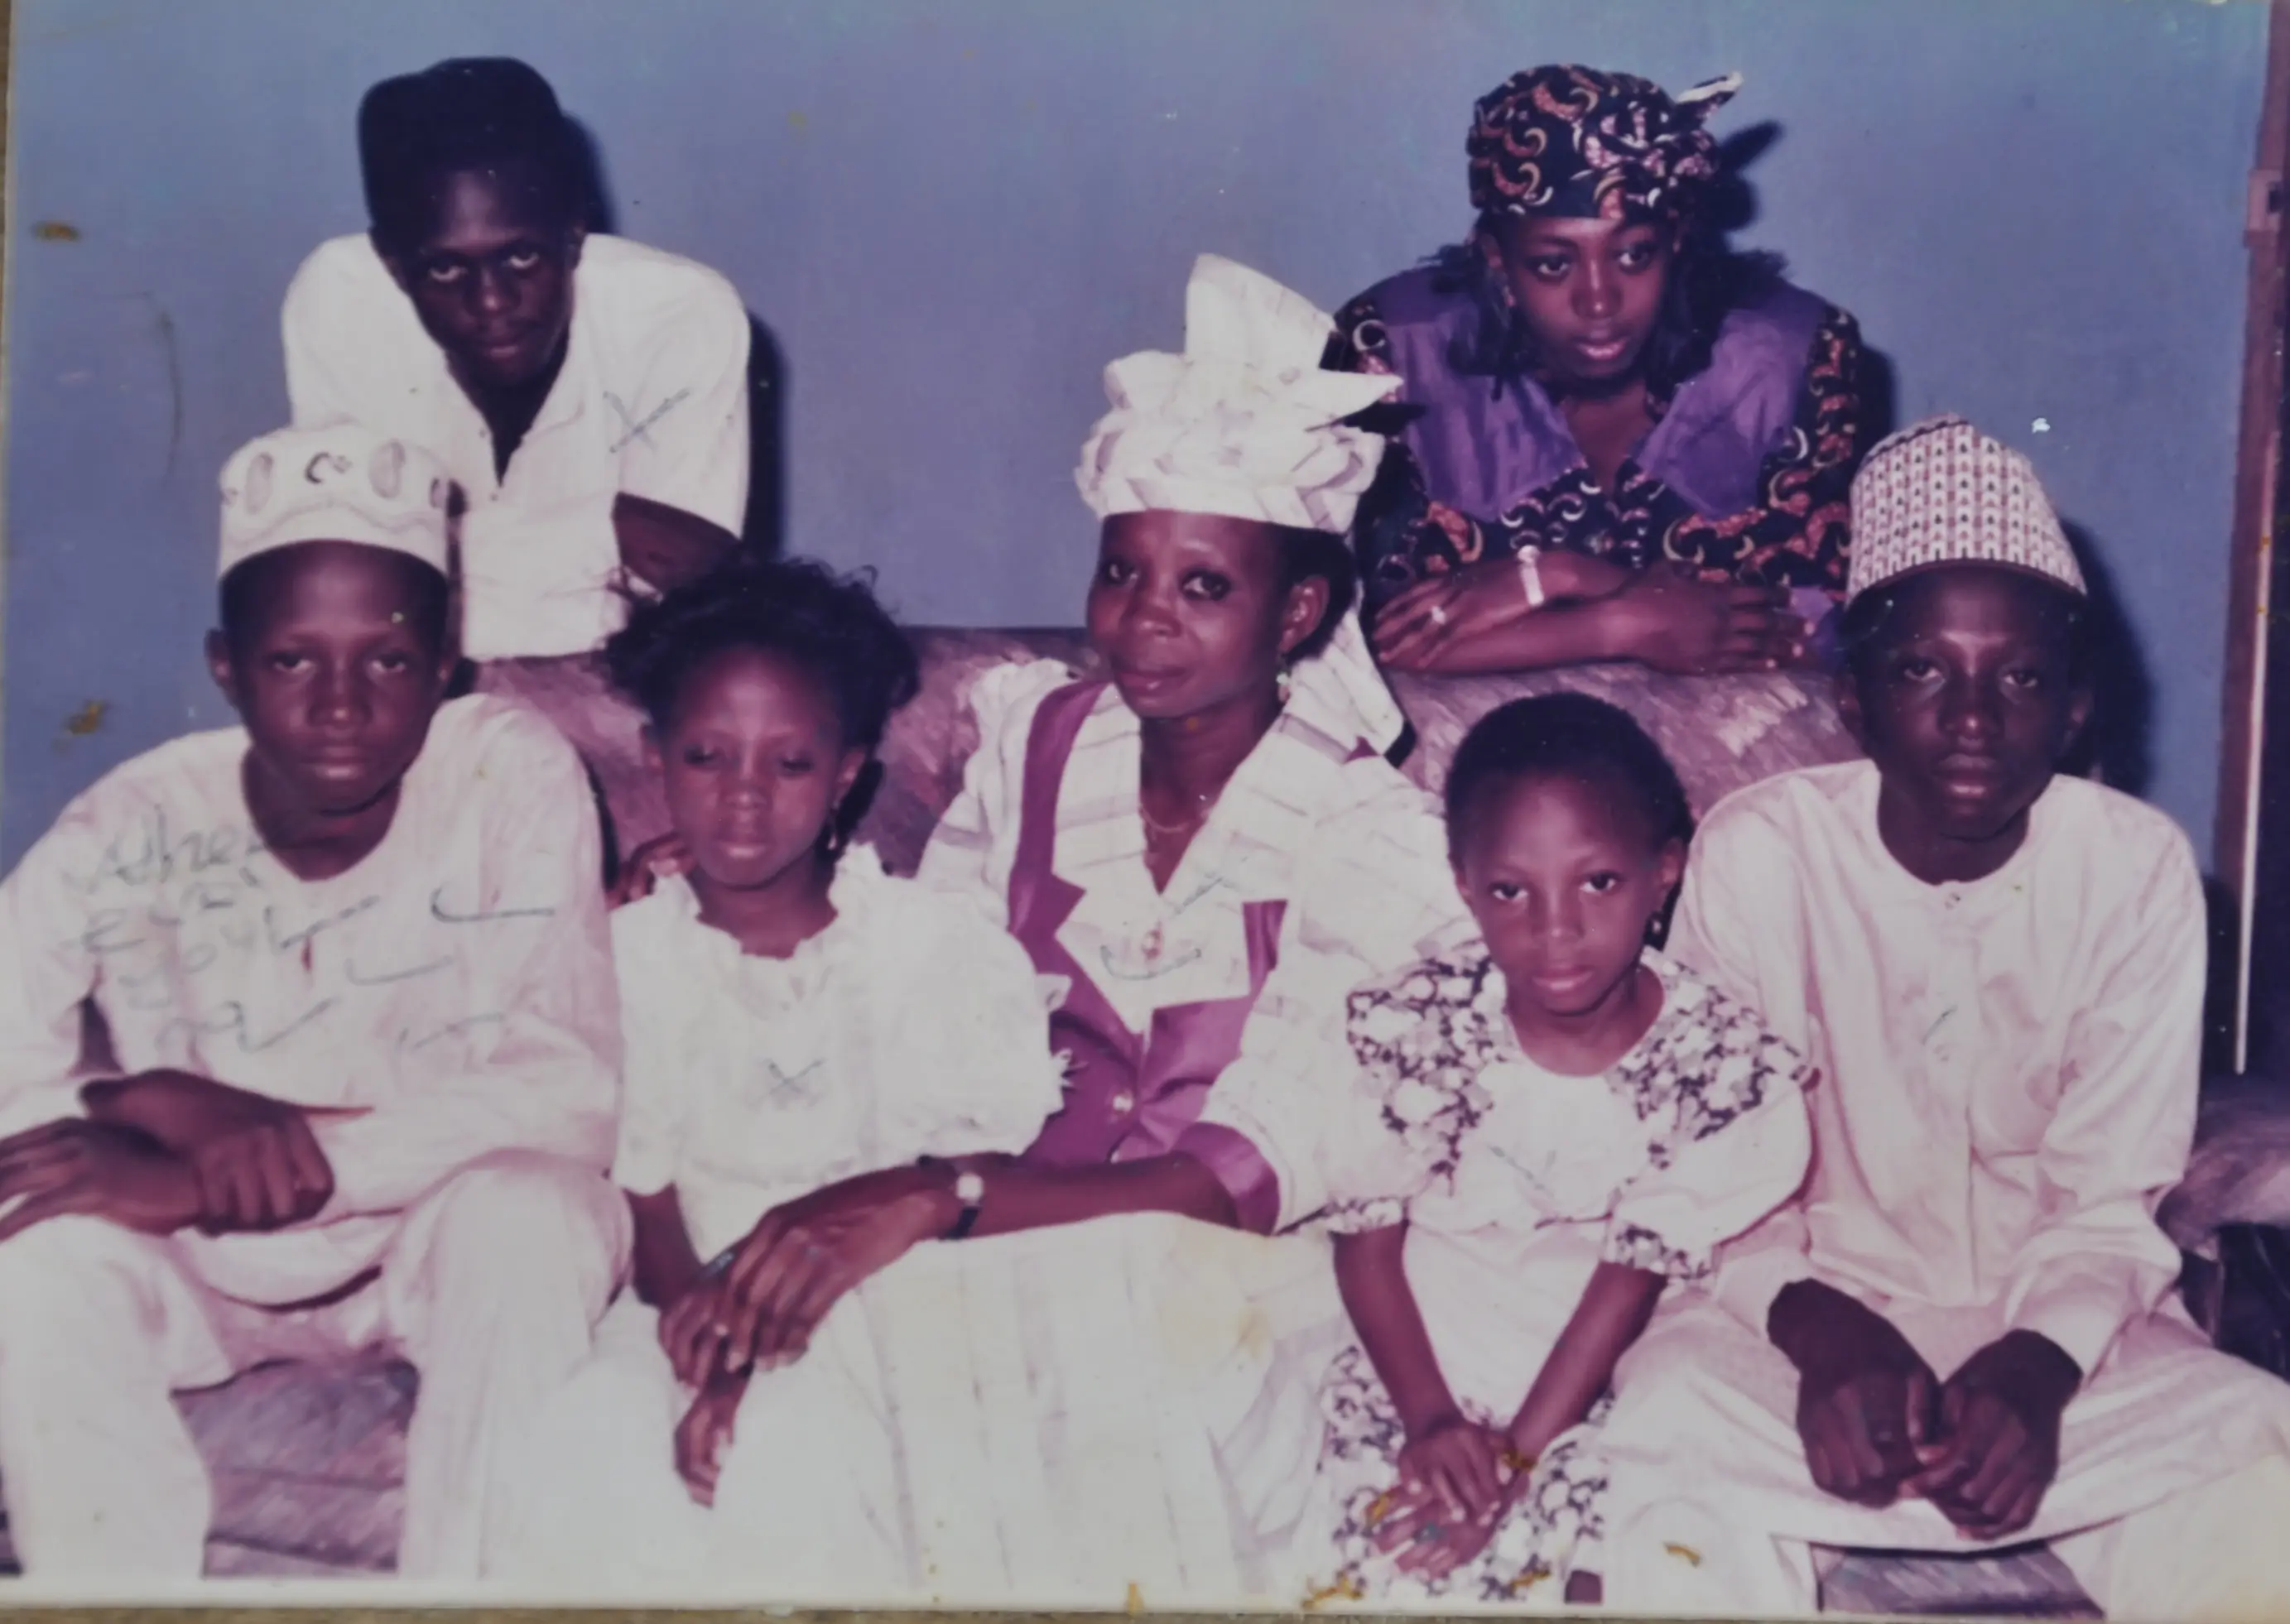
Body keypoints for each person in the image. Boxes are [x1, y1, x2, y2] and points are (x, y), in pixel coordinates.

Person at [614, 254, 1470, 1602]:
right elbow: (926, 993)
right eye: (1124, 570)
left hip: (1241, 1283)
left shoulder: (1374, 844)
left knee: (953, 1325)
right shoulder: (1034, 742)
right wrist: (709, 879)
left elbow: (1236, 1179)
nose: (1144, 619)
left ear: (1298, 609)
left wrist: (938, 1201)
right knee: (826, 1350)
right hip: (1004, 1240)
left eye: (1203, 586)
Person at [1589, 416, 2290, 1620]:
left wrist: (2032, 1367)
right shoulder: (1761, 851)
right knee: (1661, 1437)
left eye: (2018, 676)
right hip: (1795, 1324)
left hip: (2069, 1337)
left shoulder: (2134, 869)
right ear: (1852, 700)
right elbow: (1715, 1180)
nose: (1972, 716)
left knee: (2249, 1451)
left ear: (2075, 709)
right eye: (1921, 669)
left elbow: (2110, 1201)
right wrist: (1822, 1335)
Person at [0, 425, 626, 1583]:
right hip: (204, 1267)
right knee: (33, 1257)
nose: (341, 703)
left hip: (434, 1240)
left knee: (533, 1212)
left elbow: (569, 1089)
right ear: (225, 666)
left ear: (446, 663)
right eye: (293, 660)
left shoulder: (508, 769)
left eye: (386, 660)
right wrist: (139, 1098)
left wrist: (247, 1155)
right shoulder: (127, 822)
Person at [488, 554, 1081, 1594]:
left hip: (881, 1316)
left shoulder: (932, 951)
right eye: (709, 757)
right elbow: (650, 1197)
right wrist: (711, 1344)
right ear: (655, 758)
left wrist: (764, 1364)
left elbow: (954, 1183)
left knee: (794, 1454)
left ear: (848, 772)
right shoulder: (630, 957)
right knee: (592, 1429)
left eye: (790, 765)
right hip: (682, 1311)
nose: (746, 799)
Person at [1205, 694, 1811, 1607]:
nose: (1554, 929)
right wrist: (1434, 1423)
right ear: (1462, 885)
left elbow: (1626, 1284)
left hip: (1596, 1392)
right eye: (1509, 891)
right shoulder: (1418, 1025)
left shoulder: (1710, 1063)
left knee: (1654, 1554)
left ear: (1664, 872)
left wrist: (1519, 1457)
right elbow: (1366, 1250)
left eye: (1598, 882)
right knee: (1377, 1564)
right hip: (1415, 1377)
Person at [283, 56, 753, 859]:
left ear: (575, 234)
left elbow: (701, 577)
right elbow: (359, 603)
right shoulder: (338, 302)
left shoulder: (683, 317)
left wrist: (447, 560)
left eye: (524, 259)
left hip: (627, 720)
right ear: (395, 264)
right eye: (444, 269)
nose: (492, 303)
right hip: (420, 726)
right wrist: (607, 526)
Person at [1331, 65, 1864, 679]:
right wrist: (1618, 620)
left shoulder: (1791, 359)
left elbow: (1826, 631)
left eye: (1635, 254)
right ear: (1498, 260)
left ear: (1678, 240)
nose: (1600, 303)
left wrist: (1569, 577)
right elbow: (1343, 644)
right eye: (1554, 265)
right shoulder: (1392, 355)